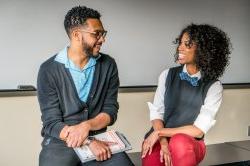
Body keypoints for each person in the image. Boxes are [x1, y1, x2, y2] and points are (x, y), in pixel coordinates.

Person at [37, 6, 134, 166]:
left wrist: (87, 126)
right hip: (61, 142)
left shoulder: (108, 65)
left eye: (103, 33)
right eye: (97, 34)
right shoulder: (48, 70)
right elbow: (51, 122)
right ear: (76, 35)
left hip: (99, 138)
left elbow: (110, 110)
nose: (102, 39)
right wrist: (88, 141)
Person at [141, 23, 231, 166]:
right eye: (180, 43)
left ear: (203, 50)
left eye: (187, 44)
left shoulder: (213, 86)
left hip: (189, 144)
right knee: (152, 157)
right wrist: (162, 141)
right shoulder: (167, 75)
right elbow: (157, 113)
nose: (180, 48)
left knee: (180, 142)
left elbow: (198, 131)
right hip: (161, 138)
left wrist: (159, 133)